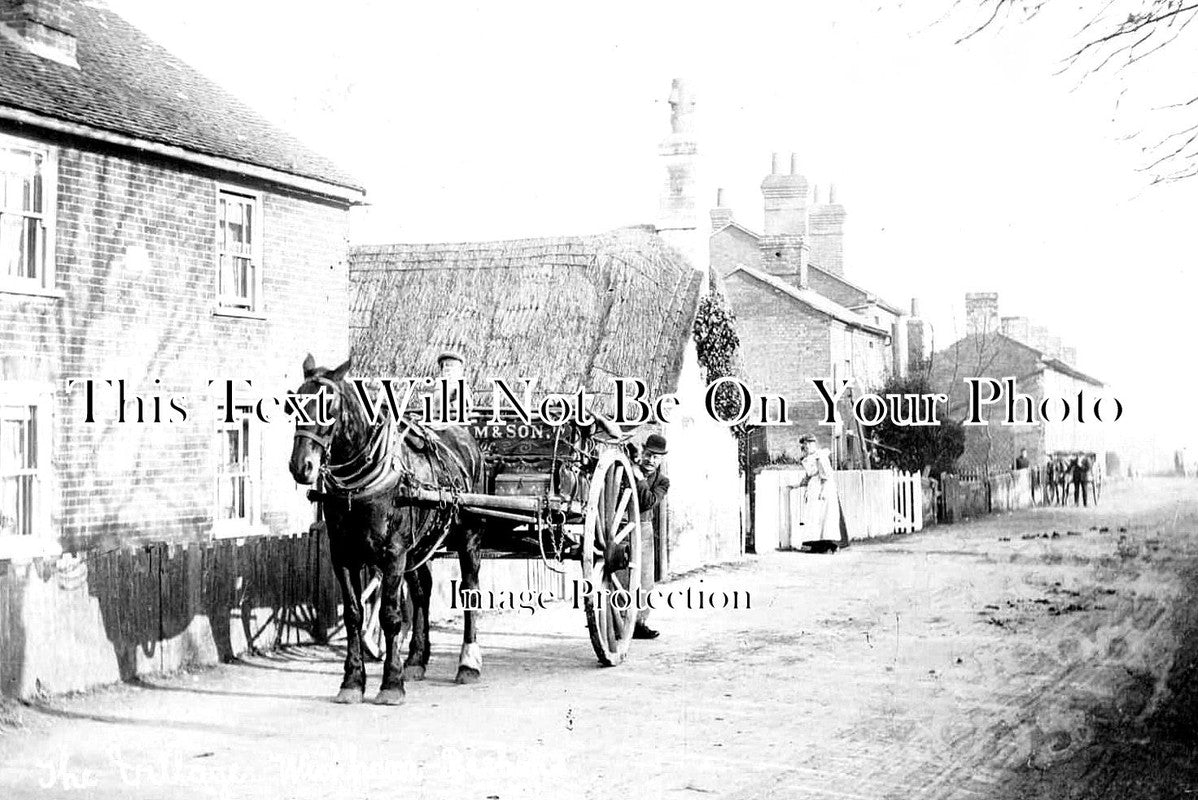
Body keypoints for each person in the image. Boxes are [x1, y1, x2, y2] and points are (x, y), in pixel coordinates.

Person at [631, 433, 670, 640]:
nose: (651, 460)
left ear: (661, 459)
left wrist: (639, 478)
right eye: (648, 454)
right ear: (642, 452)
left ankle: (639, 623)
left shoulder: (662, 482)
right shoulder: (626, 468)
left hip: (644, 528)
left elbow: (648, 502)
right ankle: (619, 620)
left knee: (645, 579)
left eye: (656, 457)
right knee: (621, 575)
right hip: (621, 528)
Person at [797, 433, 848, 548]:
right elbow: (808, 476)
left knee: (825, 517)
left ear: (813, 444)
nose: (806, 447)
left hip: (823, 488)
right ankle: (817, 544)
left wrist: (824, 491)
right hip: (814, 488)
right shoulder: (809, 458)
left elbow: (826, 475)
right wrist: (798, 485)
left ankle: (829, 544)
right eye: (805, 446)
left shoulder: (820, 456)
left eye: (808, 444)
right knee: (814, 517)